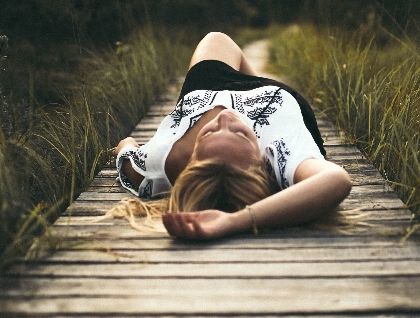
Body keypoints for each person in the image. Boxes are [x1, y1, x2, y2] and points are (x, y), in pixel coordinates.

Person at [111, 32, 352, 240]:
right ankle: (256, 82)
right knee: (221, 42)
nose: (225, 117)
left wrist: (129, 145)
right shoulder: (281, 156)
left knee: (217, 38)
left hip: (205, 92)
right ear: (261, 164)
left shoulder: (160, 164)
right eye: (240, 133)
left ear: (192, 160)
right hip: (272, 99)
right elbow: (337, 181)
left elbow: (126, 150)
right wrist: (237, 221)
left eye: (209, 132)